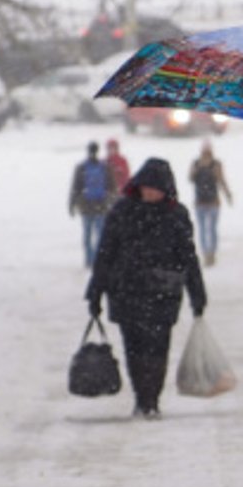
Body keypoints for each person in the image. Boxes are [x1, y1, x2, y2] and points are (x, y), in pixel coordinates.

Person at [86, 158, 206, 419]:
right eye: (146, 187)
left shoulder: (176, 215)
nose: (150, 192)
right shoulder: (121, 212)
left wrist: (198, 294)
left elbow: (188, 257)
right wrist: (95, 291)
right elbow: (105, 254)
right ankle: (142, 397)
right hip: (127, 294)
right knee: (134, 349)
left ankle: (152, 398)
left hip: (163, 294)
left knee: (158, 349)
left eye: (156, 188)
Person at [69, 141, 116, 267]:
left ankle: (89, 260)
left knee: (88, 235)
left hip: (86, 206)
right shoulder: (105, 167)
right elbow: (112, 187)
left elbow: (75, 187)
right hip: (101, 206)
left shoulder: (82, 167)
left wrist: (72, 204)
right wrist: (113, 202)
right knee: (99, 236)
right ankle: (96, 260)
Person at [188, 140, 233, 266]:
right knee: (207, 229)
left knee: (208, 229)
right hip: (204, 202)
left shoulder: (213, 164)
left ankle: (210, 253)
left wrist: (228, 194)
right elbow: (191, 178)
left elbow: (221, 180)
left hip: (209, 202)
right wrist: (228, 194)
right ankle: (208, 253)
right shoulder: (199, 164)